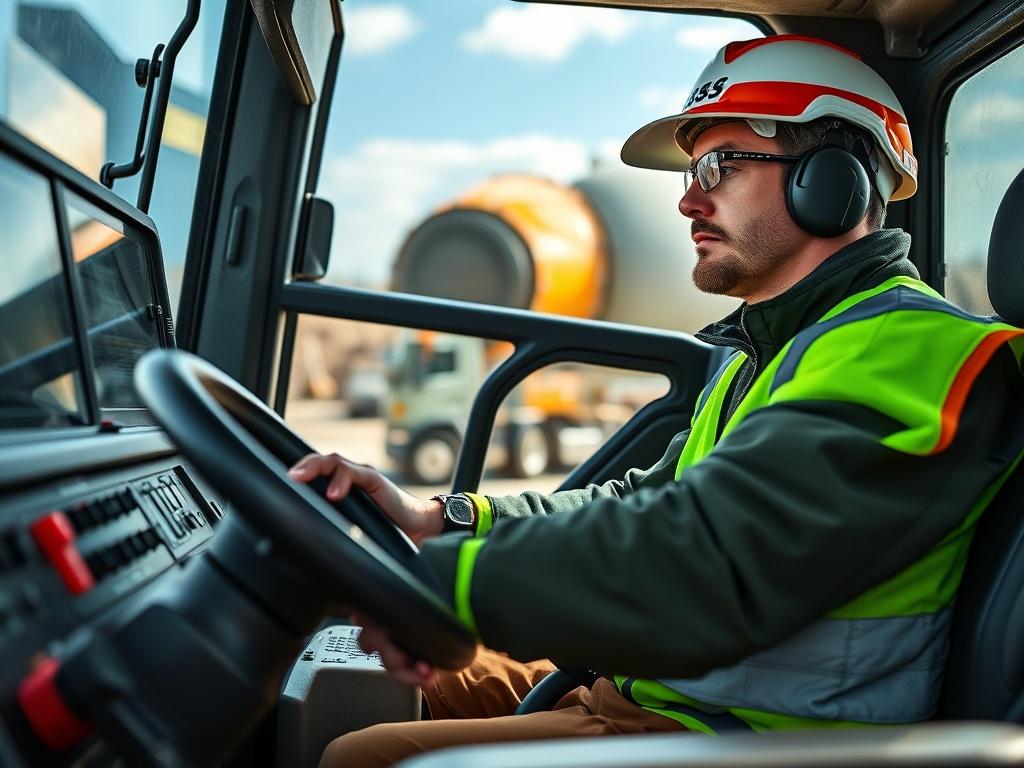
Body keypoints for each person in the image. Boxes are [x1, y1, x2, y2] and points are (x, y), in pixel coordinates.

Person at [291, 35, 1024, 767]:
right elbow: (650, 500)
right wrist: (444, 522)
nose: (686, 197)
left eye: (721, 165)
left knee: (360, 757)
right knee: (342, 676)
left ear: (830, 183)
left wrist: (453, 585)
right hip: (658, 692)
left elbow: (707, 554)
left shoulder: (908, 349)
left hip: (746, 737)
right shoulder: (773, 349)